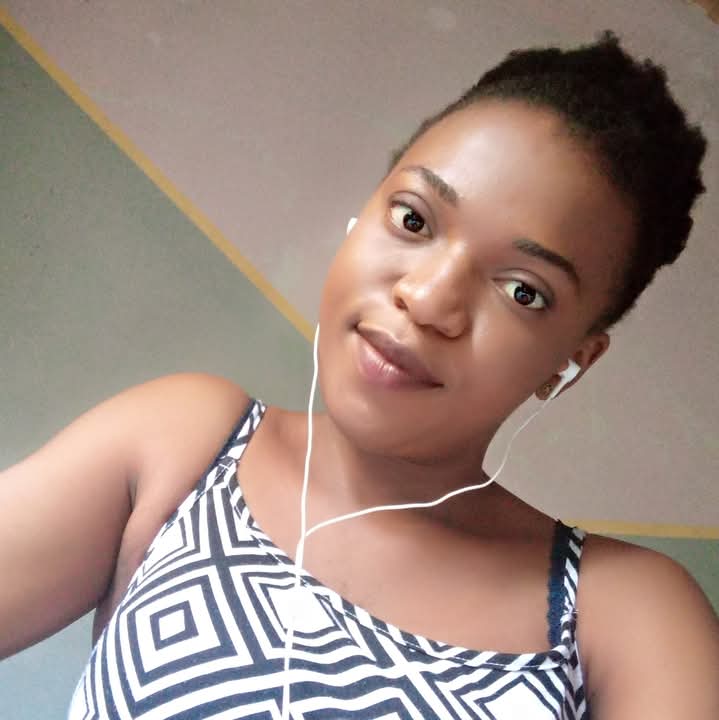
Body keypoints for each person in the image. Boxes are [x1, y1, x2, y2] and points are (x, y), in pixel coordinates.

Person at [1, 31, 717, 719]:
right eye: (413, 220)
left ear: (570, 361)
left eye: (523, 290)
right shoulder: (184, 442)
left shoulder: (626, 615)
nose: (427, 299)